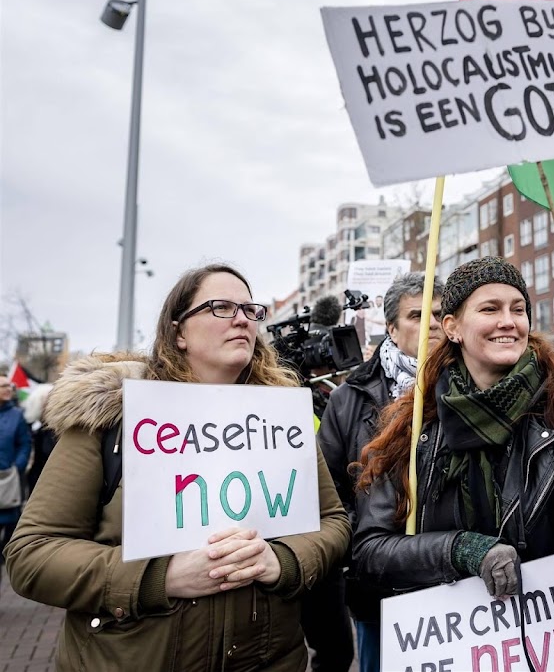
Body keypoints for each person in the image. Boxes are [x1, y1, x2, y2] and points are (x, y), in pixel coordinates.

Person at [4, 264, 351, 671]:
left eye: (250, 310)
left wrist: (282, 561)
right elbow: (33, 554)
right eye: (220, 307)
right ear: (179, 332)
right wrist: (160, 578)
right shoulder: (113, 417)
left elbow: (333, 522)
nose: (242, 318)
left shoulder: (281, 419)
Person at [352, 257, 554, 616]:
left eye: (518, 309)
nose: (508, 322)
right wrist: (461, 551)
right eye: (490, 309)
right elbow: (372, 550)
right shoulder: (412, 426)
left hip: (547, 633)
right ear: (452, 327)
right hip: (449, 637)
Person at [318, 271, 444, 672]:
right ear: (391, 327)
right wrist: (362, 542)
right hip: (381, 589)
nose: (432, 324)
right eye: (416, 316)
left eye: (441, 314)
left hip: (456, 582)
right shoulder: (349, 397)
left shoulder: (474, 384)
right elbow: (330, 489)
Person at [0, 377, 31, 592]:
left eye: (9, 386)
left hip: (8, 484)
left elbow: (25, 443)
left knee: (10, 535)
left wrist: (17, 467)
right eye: (3, 386)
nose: (8, 389)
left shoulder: (16, 415)